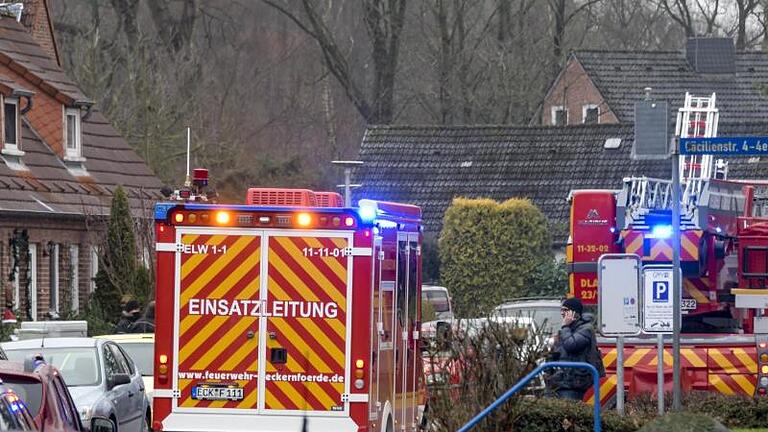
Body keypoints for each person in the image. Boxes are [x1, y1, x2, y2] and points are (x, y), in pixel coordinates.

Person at [546, 297, 600, 401]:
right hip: (560, 381)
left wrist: (565, 327)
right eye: (562, 310)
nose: (562, 313)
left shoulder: (586, 329)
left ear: (575, 313)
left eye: (566, 310)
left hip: (575, 382)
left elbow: (571, 345)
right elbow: (557, 352)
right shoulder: (566, 330)